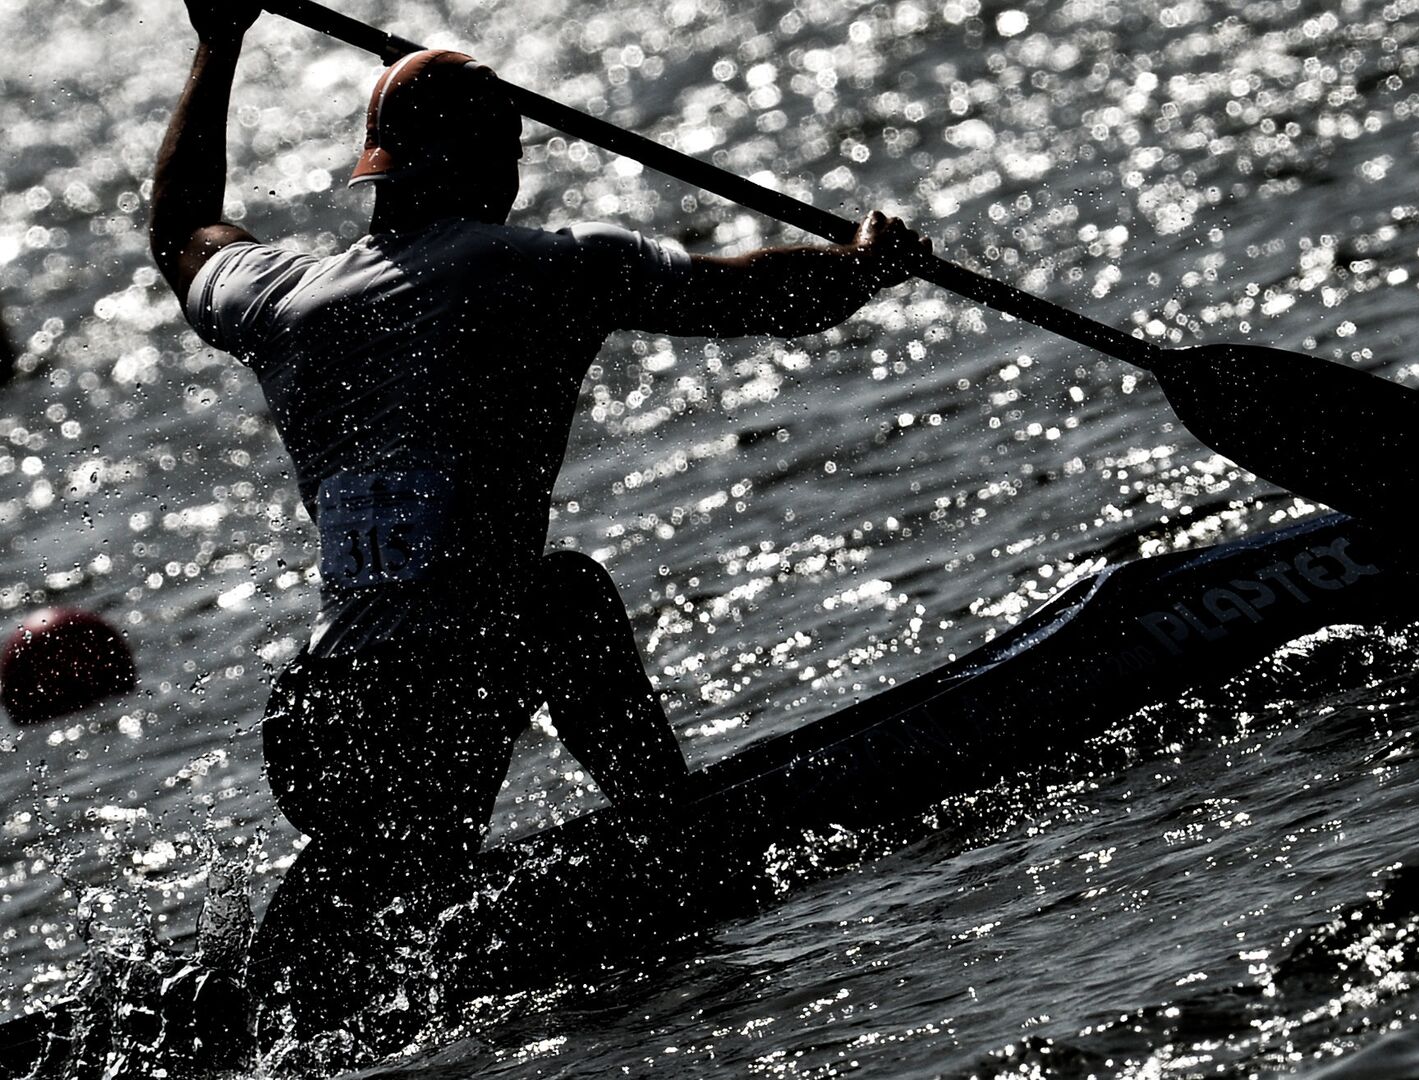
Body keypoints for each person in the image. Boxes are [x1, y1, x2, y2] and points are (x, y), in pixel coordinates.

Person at [150, 3, 926, 898]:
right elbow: (763, 299)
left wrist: (218, 40)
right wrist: (863, 266)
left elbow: (180, 226)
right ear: (500, 165)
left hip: (320, 720)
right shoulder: (539, 268)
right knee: (563, 598)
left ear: (381, 169)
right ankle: (683, 856)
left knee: (403, 875)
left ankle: (377, 913)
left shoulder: (278, 297)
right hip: (442, 699)